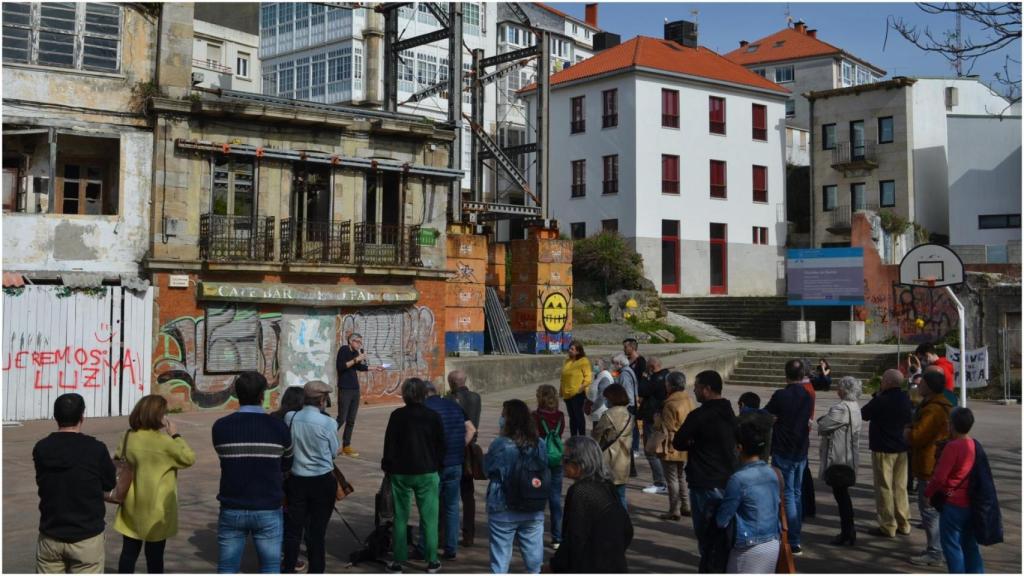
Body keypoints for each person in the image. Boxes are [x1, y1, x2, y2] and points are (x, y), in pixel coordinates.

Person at [213, 372, 293, 574]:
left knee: (227, 568)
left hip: (232, 506)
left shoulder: (220, 427)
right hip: (268, 506)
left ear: (236, 394)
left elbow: (225, 458)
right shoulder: (279, 427)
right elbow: (287, 463)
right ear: (263, 395)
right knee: (270, 567)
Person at [33, 393, 116, 574]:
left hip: (51, 534)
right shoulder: (96, 449)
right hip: (86, 537)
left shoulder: (41, 448)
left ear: (56, 417)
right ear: (82, 417)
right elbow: (109, 483)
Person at [114, 395, 197, 574]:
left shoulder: (128, 437)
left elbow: (117, 458)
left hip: (131, 506)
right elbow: (189, 458)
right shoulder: (166, 443)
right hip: (157, 510)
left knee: (128, 554)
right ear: (159, 416)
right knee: (155, 558)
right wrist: (176, 435)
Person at [381, 378, 445, 574]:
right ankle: (432, 560)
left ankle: (399, 561)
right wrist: (437, 465)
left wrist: (387, 467)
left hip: (401, 472)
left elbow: (389, 444)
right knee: (429, 518)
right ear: (424, 394)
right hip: (427, 471)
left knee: (400, 516)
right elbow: (441, 445)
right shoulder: (433, 416)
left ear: (405, 394)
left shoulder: (397, 416)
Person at [672, 370, 737, 563]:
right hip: (726, 478)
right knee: (723, 530)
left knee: (706, 533)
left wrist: (694, 442)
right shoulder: (728, 411)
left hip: (704, 480)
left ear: (707, 389)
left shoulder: (699, 415)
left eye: (698, 387)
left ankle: (710, 564)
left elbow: (679, 441)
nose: (695, 391)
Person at [548, 437, 633, 573]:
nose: (561, 463)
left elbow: (574, 537)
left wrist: (555, 566)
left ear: (580, 463)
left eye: (565, 459)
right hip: (615, 564)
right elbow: (627, 529)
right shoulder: (607, 485)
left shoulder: (581, 491)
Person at [282, 381, 340, 574]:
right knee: (317, 533)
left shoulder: (290, 417)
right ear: (322, 400)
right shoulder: (328, 423)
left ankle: (288, 567)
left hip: (296, 480)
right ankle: (316, 570)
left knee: (293, 530)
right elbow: (334, 452)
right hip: (322, 481)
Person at [485, 399, 548, 574]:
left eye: (503, 415)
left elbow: (487, 469)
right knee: (535, 563)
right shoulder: (540, 444)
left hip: (502, 507)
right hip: (533, 505)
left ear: (509, 420)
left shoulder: (501, 444)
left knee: (500, 562)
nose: (501, 419)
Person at [715, 413, 781, 573]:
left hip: (748, 545)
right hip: (772, 541)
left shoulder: (738, 479)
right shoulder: (773, 473)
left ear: (739, 448)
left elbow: (722, 520)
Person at [764, 359, 812, 556]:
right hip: (801, 450)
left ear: (786, 375)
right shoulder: (807, 396)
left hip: (784, 450)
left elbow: (766, 414)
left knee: (788, 495)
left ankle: (792, 539)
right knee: (797, 493)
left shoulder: (781, 395)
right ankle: (795, 537)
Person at [422, 380, 475, 561]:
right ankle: (451, 547)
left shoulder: (425, 408)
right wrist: (460, 445)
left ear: (424, 393)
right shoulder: (453, 405)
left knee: (430, 507)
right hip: (455, 463)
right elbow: (471, 429)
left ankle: (426, 545)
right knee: (452, 506)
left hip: (433, 465)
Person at [906, 371, 954, 567]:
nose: (919, 386)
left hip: (929, 464)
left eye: (922, 383)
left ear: (930, 386)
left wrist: (908, 431)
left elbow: (918, 436)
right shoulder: (936, 405)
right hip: (931, 462)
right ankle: (935, 548)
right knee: (932, 509)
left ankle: (935, 551)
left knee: (929, 510)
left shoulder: (933, 409)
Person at [926, 407, 983, 573]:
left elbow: (939, 477)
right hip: (970, 501)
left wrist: (928, 493)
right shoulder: (974, 444)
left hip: (952, 502)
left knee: (952, 546)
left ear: (952, 425)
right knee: (971, 546)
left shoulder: (953, 447)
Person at [860, 369, 913, 539]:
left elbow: (864, 414)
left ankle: (888, 525)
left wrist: (877, 396)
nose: (881, 382)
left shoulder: (882, 400)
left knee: (884, 487)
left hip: (883, 448)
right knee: (900, 487)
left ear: (888, 382)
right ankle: (904, 522)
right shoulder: (905, 398)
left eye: (883, 380)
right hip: (901, 448)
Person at [817, 376, 863, 546]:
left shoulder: (841, 408)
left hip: (839, 457)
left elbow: (823, 425)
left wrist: (821, 419)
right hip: (848, 456)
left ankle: (847, 531)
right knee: (842, 495)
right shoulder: (855, 406)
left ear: (844, 390)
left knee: (841, 495)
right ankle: (848, 530)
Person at [447, 370, 482, 547]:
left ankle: (445, 534)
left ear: (452, 383)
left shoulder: (450, 400)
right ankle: (469, 534)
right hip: (472, 449)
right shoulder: (476, 398)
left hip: (455, 448)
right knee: (468, 495)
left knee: (449, 495)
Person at [335, 332, 383, 457]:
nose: (360, 344)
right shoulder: (344, 350)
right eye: (358, 341)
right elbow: (341, 367)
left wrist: (375, 368)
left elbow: (359, 367)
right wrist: (357, 358)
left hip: (355, 389)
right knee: (342, 418)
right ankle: (325, 440)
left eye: (361, 342)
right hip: (345, 389)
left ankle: (347, 446)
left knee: (351, 420)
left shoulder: (356, 353)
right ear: (351, 341)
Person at [532, 384, 566, 550]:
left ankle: (535, 534)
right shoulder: (560, 415)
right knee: (555, 500)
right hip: (557, 459)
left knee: (537, 498)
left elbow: (533, 436)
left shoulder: (536, 415)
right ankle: (557, 537)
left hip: (540, 459)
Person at [591, 384, 633, 510]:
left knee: (604, 496)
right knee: (621, 496)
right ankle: (624, 524)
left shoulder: (608, 415)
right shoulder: (629, 414)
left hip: (609, 459)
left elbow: (596, 435)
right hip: (624, 459)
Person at [659, 371, 694, 520]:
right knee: (681, 476)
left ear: (671, 385)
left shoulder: (669, 404)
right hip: (685, 443)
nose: (665, 386)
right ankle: (686, 505)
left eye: (667, 383)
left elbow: (666, 426)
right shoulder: (689, 400)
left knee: (672, 478)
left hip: (672, 444)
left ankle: (674, 509)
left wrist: (656, 420)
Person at [639, 357, 669, 494]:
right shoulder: (667, 376)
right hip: (659, 417)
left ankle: (660, 482)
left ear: (651, 367)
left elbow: (642, 391)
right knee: (657, 450)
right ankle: (663, 481)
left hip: (652, 418)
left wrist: (645, 377)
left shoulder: (656, 379)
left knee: (650, 450)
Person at [560, 340, 592, 437]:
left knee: (579, 417)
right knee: (572, 417)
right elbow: (563, 377)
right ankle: (573, 437)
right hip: (567, 394)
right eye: (569, 348)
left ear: (578, 351)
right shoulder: (567, 361)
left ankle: (582, 437)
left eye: (572, 349)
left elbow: (588, 378)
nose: (569, 350)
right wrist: (560, 390)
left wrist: (580, 389)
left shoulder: (583, 361)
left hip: (578, 394)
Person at [588, 358, 615, 426]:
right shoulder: (600, 375)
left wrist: (593, 407)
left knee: (598, 434)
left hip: (601, 411)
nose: (595, 366)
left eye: (597, 364)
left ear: (603, 366)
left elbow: (602, 396)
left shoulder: (605, 376)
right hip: (598, 411)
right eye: (595, 364)